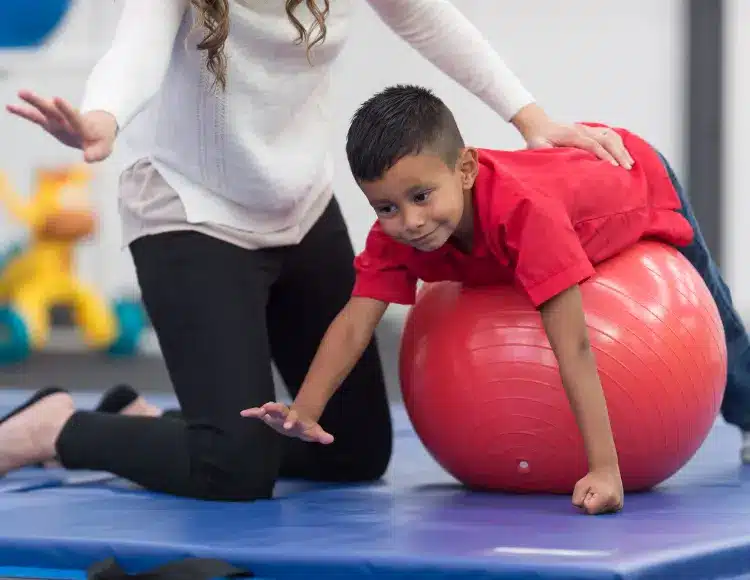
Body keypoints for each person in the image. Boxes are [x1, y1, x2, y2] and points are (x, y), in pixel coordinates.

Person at [0, 0, 632, 501]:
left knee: (351, 452)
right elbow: (133, 50)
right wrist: (101, 117)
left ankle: (147, 423)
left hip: (301, 208)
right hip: (191, 215)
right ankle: (57, 427)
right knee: (233, 471)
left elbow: (423, 13)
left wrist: (529, 117)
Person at [242, 84, 750, 515]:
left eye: (421, 196)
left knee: (714, 306)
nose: (410, 221)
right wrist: (305, 410)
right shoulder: (397, 236)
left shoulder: (526, 217)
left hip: (632, 174)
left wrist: (605, 470)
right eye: (386, 207)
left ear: (464, 170)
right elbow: (355, 322)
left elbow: (572, 345)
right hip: (562, 181)